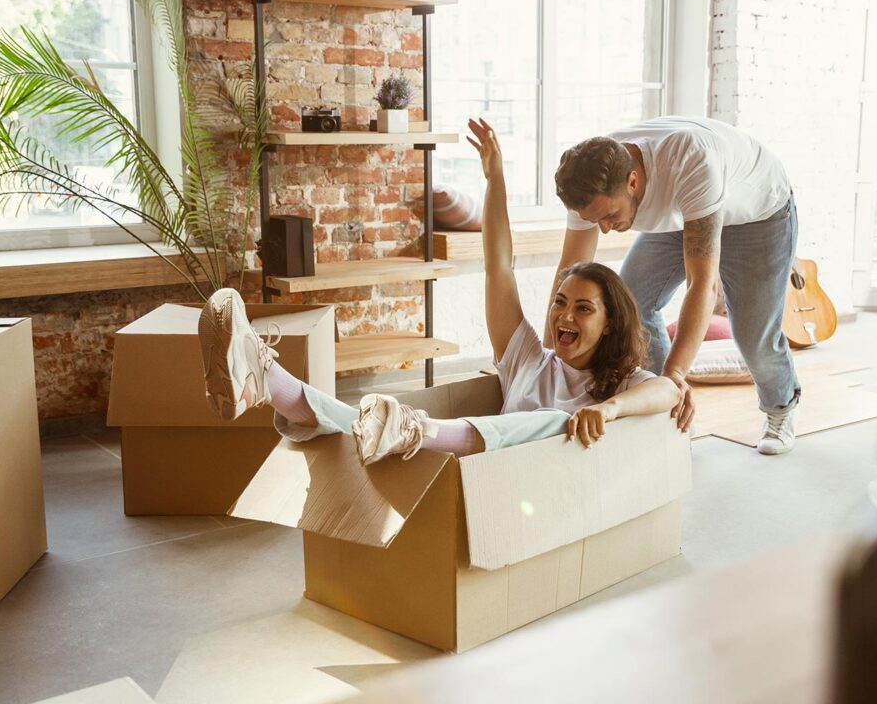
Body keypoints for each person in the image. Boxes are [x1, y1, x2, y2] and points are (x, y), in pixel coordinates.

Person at [197, 118, 680, 463]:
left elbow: (665, 393)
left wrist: (608, 408)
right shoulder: (529, 359)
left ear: (610, 322)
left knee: (555, 422)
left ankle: (403, 428)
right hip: (472, 480)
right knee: (362, 422)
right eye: (559, 302)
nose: (564, 316)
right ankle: (264, 377)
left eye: (582, 308)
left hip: (537, 501)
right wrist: (495, 180)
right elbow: (500, 268)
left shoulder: (619, 383)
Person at [553, 116, 800, 455]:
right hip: (686, 212)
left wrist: (675, 374)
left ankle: (780, 409)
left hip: (758, 216)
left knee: (752, 333)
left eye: (609, 216)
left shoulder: (690, 159)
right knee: (632, 304)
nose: (605, 229)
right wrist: (551, 358)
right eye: (595, 221)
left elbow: (703, 284)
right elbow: (569, 274)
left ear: (633, 181)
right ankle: (663, 411)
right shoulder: (589, 176)